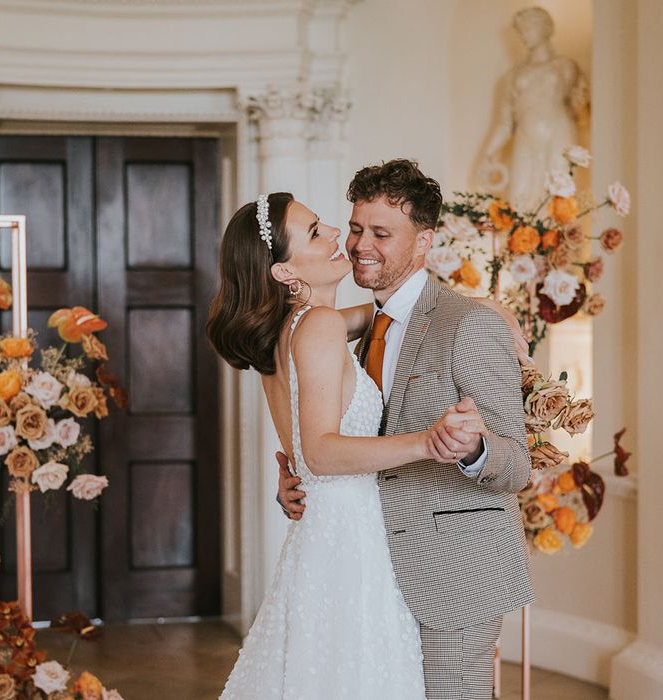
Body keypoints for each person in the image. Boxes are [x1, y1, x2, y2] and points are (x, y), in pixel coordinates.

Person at [208, 189, 491, 698]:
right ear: (283, 272)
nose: (338, 234)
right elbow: (319, 452)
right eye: (317, 233)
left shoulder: (285, 332)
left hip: (323, 534)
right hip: (353, 539)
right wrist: (427, 443)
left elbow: (381, 314)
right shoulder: (315, 327)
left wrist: (470, 307)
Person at [277, 160, 534, 699]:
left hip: (455, 572)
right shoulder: (355, 325)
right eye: (354, 228)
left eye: (380, 234)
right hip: (372, 572)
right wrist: (301, 484)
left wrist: (474, 449)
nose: (359, 245)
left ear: (424, 242)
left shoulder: (471, 323)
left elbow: (518, 463)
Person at [478, 6, 588, 210]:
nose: (523, 35)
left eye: (528, 28)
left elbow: (579, 110)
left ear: (544, 28)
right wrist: (488, 154)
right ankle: (522, 240)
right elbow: (504, 123)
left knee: (560, 198)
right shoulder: (513, 76)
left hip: (559, 135)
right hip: (525, 138)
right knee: (519, 198)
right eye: (521, 30)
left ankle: (562, 241)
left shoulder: (565, 66)